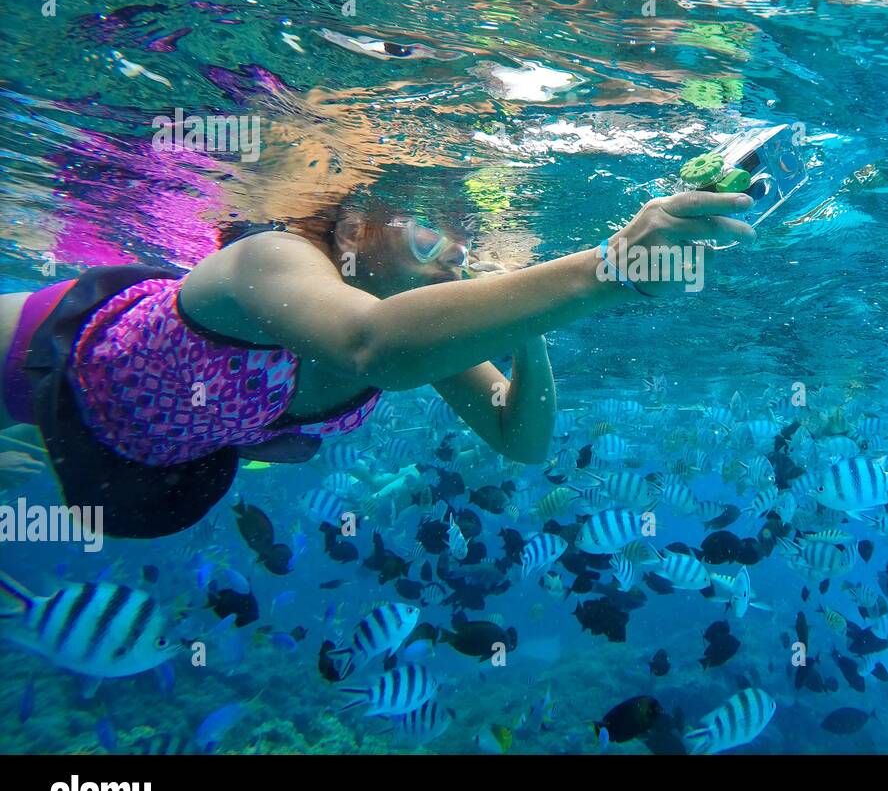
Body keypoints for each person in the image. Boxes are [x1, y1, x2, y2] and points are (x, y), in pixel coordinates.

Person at [0, 185, 754, 537]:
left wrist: (527, 327)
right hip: (32, 353)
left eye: (465, 249)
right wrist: (605, 269)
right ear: (356, 226)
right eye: (430, 235)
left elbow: (520, 439)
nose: (454, 260)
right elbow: (375, 346)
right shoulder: (268, 259)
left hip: (130, 458)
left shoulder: (427, 329)